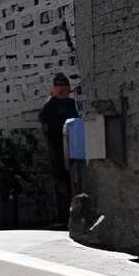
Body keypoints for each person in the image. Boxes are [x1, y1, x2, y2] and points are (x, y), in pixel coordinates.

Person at [39, 76, 82, 223]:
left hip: (75, 145)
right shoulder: (50, 104)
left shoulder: (72, 104)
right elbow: (44, 124)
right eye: (58, 85)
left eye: (65, 85)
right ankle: (64, 215)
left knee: (76, 179)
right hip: (57, 147)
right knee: (60, 180)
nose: (62, 88)